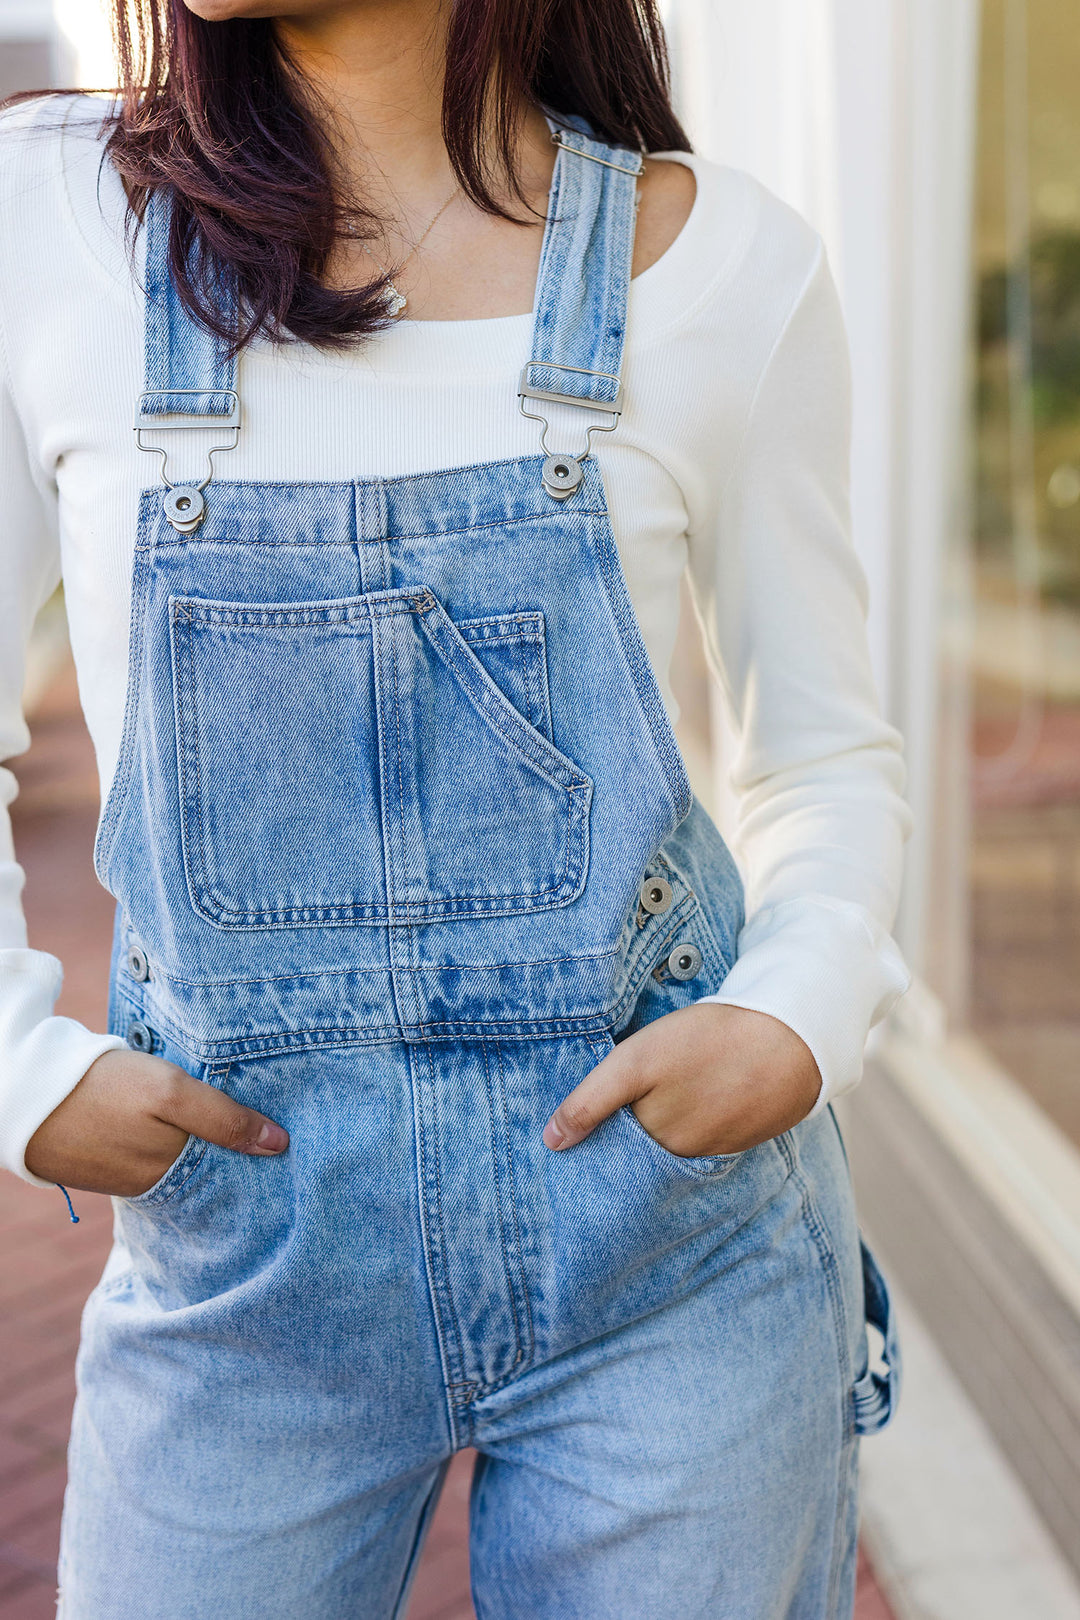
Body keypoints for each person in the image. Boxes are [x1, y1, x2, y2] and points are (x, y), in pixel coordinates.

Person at [0, 1, 909, 1614]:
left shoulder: (725, 272)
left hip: (669, 1255)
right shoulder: (46, 225)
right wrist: (16, 1067)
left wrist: (795, 1019)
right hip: (244, 1279)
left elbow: (826, 755)